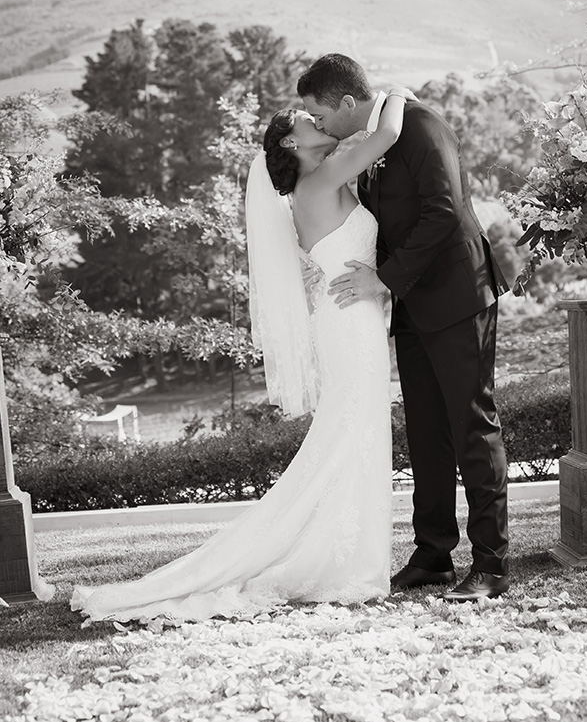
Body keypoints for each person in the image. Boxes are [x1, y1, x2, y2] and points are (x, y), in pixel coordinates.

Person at [70, 91, 410, 623]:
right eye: (307, 118)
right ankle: (344, 562)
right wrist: (396, 94)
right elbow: (386, 132)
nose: (318, 120)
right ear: (291, 142)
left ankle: (351, 558)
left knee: (355, 433)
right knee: (352, 432)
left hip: (350, 315)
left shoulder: (322, 180)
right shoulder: (317, 181)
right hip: (348, 324)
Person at [297, 53, 510, 602]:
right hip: (413, 308)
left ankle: (491, 564)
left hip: (460, 297)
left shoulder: (420, 125)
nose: (318, 125)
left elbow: (444, 209)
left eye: (320, 114)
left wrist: (383, 280)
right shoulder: (368, 145)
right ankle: (433, 555)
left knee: (472, 426)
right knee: (426, 433)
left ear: (347, 101)